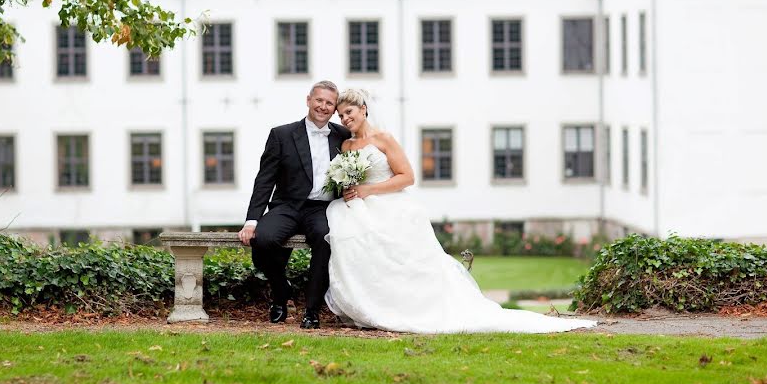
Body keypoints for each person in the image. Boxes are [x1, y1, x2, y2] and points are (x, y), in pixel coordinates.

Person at [324, 89, 597, 334]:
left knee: (407, 261)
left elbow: (407, 177)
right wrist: (350, 188)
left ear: (363, 110)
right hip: (359, 207)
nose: (344, 118)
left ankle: (412, 309)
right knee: (353, 238)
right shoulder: (346, 146)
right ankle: (371, 305)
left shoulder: (384, 139)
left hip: (389, 205)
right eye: (340, 115)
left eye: (349, 112)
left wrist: (369, 191)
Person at [238, 80, 350, 329]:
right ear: (308, 100)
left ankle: (312, 310)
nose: (323, 106)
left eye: (329, 103)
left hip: (322, 208)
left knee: (325, 239)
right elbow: (264, 179)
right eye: (319, 100)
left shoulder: (343, 137)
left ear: (334, 109)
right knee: (263, 239)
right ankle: (281, 290)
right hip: (287, 205)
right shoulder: (282, 134)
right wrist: (252, 220)